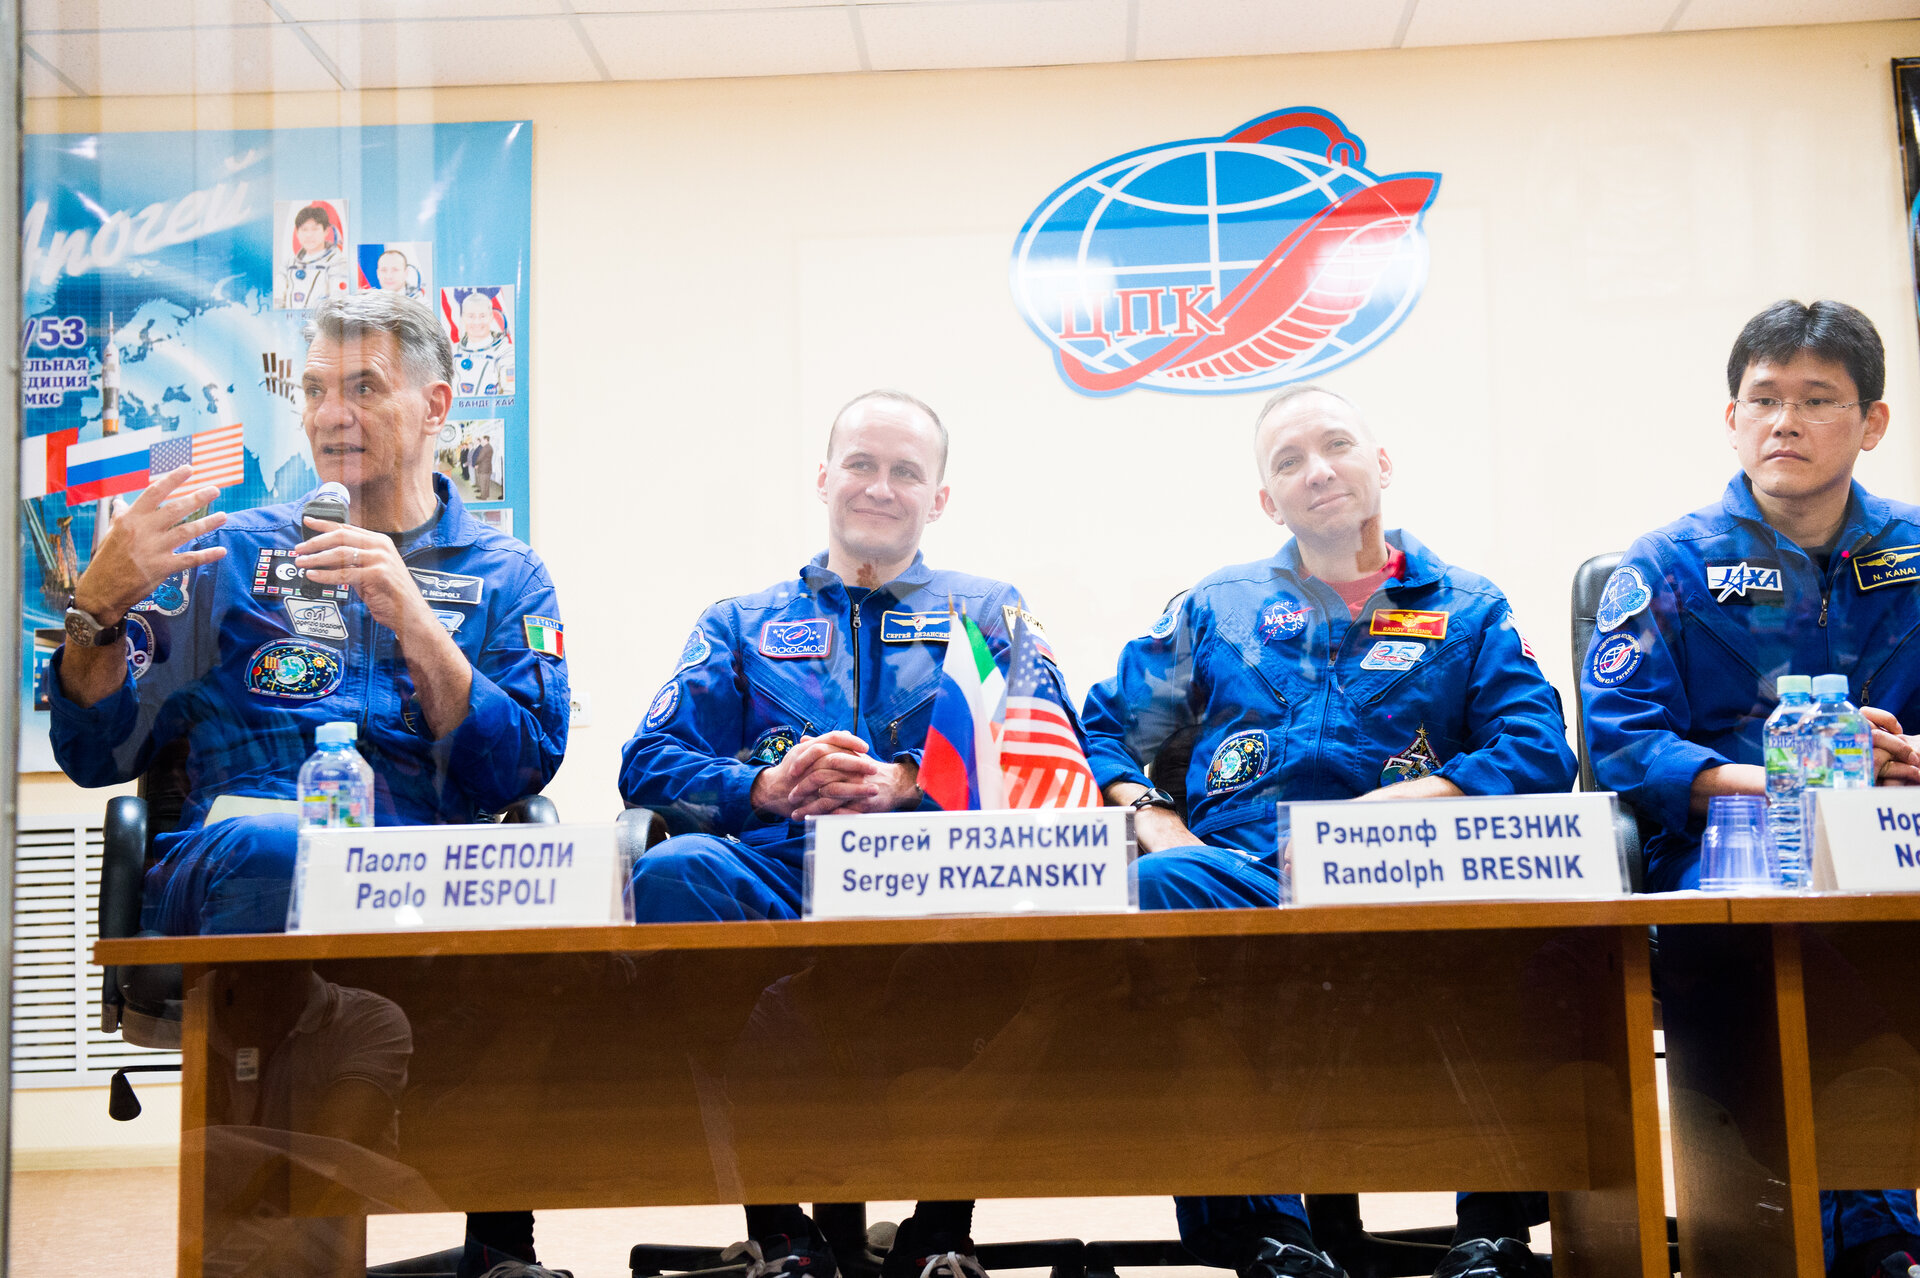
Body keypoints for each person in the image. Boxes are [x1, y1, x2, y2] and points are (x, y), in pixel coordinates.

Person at [47, 291, 570, 1277]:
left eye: (364, 388)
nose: (334, 412)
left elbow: (522, 767)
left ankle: (499, 1243)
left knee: (576, 904)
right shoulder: (229, 558)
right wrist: (97, 615)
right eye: (318, 389)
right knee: (278, 848)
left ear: (435, 405)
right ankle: (273, 1232)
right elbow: (97, 753)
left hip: (426, 890)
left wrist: (416, 617)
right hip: (247, 870)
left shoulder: (507, 576)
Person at [1081, 385, 1579, 1278]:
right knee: (1158, 890)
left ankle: (1492, 1232)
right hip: (1249, 873)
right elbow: (1106, 728)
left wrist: (1416, 799)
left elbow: (1540, 750)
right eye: (1288, 462)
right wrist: (1154, 822)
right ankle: (1269, 1235)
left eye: (1337, 445)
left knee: (1533, 910)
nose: (1318, 471)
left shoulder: (1466, 607)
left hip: (1413, 874)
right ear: (1268, 502)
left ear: (1380, 463)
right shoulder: (1217, 608)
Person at [619, 389, 1066, 1278]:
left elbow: (1048, 759)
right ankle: (779, 1223)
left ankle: (942, 1228)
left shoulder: (987, 610)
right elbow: (648, 762)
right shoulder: (739, 622)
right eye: (861, 464)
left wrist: (909, 785)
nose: (880, 486)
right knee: (676, 871)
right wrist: (763, 787)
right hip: (780, 876)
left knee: (1016, 914)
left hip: (936, 875)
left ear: (937, 498)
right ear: (825, 478)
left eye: (907, 471)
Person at [1581, 299, 1920, 1277]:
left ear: (1872, 422)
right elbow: (1623, 745)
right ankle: (1848, 1229)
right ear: (1732, 418)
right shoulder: (1666, 568)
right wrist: (1791, 775)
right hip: (1735, 859)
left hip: (1900, 848)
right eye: (1764, 399)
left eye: (1818, 399)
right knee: (1788, 945)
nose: (1786, 421)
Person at [277, 203, 352, 309]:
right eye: (304, 229)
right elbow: (277, 299)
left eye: (315, 229)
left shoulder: (337, 262)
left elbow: (338, 302)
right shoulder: (288, 263)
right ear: (297, 233)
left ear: (326, 231)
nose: (309, 235)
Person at [453, 290, 514, 398]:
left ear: (491, 317)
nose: (477, 322)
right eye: (471, 316)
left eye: (482, 316)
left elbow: (510, 394)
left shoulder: (505, 352)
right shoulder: (452, 351)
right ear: (463, 318)